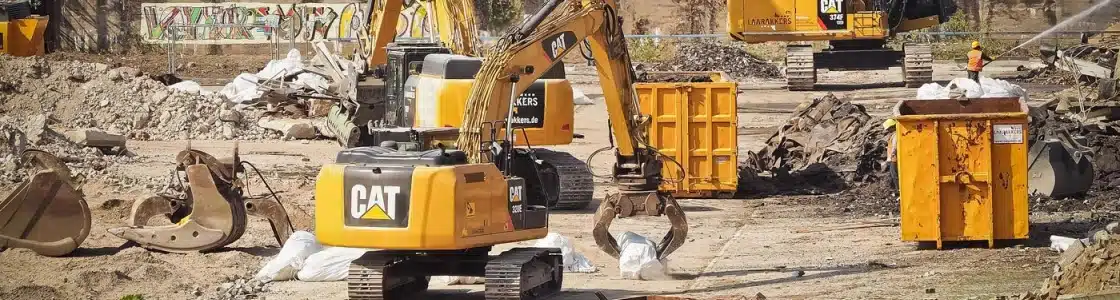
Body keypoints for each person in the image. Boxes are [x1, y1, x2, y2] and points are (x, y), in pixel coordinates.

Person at [884, 119, 900, 196]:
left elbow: (894, 147)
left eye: (888, 128)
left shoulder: (896, 135)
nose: (887, 130)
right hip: (892, 158)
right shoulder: (894, 135)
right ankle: (895, 190)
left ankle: (899, 191)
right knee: (893, 175)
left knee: (895, 175)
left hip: (894, 159)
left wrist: (891, 157)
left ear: (892, 127)